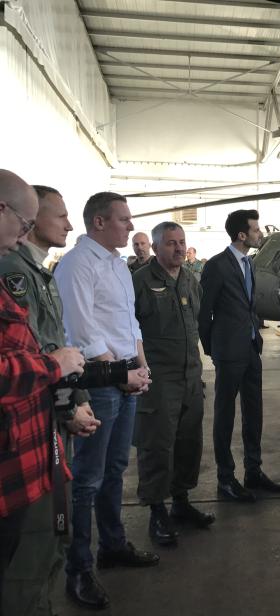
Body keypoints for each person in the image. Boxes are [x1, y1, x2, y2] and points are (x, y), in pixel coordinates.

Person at [0, 185, 101, 616]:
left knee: (49, 544)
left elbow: (53, 346)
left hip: (44, 432)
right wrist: (68, 400)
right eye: (57, 216)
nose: (68, 225)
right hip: (24, 442)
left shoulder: (37, 272)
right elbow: (44, 354)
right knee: (28, 561)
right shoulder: (13, 272)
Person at [55, 192, 155, 611]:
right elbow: (82, 329)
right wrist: (120, 373)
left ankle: (112, 545)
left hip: (125, 375)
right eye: (123, 220)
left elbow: (129, 321)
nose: (130, 227)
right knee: (88, 478)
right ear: (99, 222)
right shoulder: (77, 265)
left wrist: (142, 368)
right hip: (100, 382)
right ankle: (78, 567)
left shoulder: (115, 264)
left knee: (115, 468)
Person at [133, 222, 214, 547]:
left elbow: (194, 324)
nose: (178, 248)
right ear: (155, 248)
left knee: (188, 442)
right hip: (159, 378)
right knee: (157, 446)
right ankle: (156, 510)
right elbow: (129, 331)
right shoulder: (140, 282)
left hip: (190, 375)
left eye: (181, 242)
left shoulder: (190, 279)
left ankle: (180, 502)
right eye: (170, 243)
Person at [199, 209, 280, 502]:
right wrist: (214, 349)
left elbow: (249, 306)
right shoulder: (216, 266)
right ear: (242, 235)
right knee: (224, 416)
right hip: (228, 352)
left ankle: (253, 470)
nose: (259, 233)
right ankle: (225, 478)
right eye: (256, 229)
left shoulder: (249, 264)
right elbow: (204, 312)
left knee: (254, 412)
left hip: (250, 349)